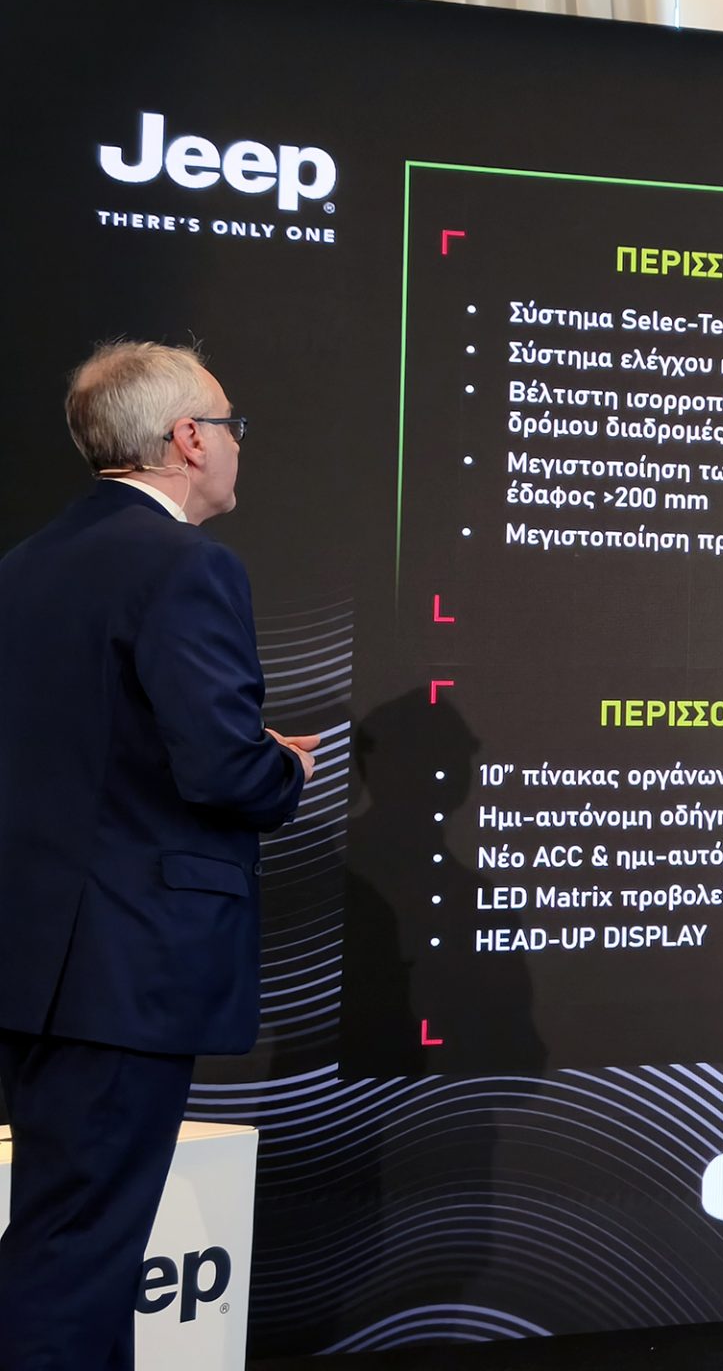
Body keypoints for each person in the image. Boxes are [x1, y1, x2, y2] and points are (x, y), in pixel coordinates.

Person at [0, 341, 317, 1370]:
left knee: (69, 1242)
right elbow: (221, 770)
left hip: (36, 963)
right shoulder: (186, 564)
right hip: (124, 966)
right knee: (78, 1257)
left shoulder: (25, 566)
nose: (237, 446)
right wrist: (282, 768)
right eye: (230, 426)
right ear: (188, 439)